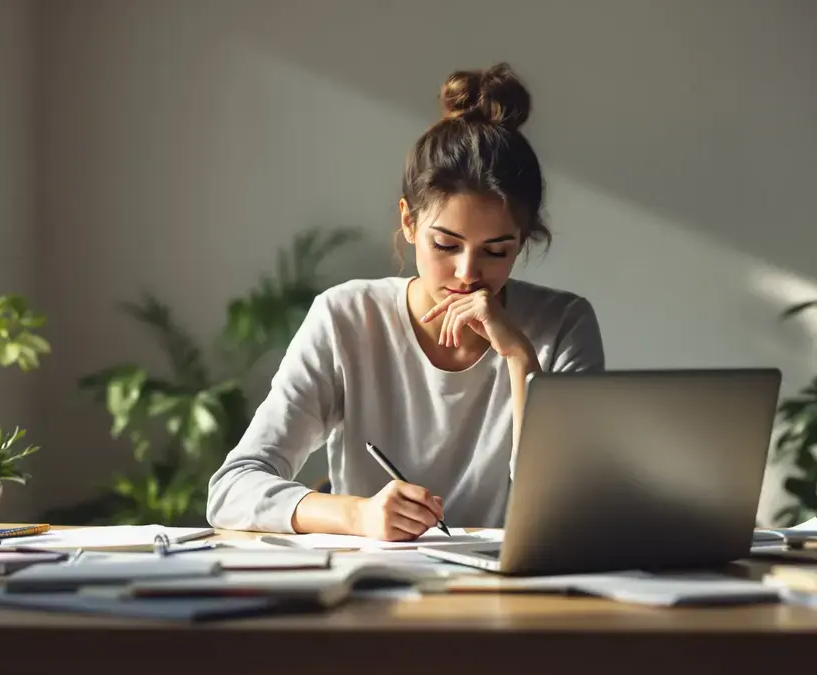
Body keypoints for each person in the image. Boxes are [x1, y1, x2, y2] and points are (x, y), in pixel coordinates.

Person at [206, 62, 605, 541]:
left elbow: (570, 510)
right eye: (445, 244)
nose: (467, 273)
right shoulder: (347, 317)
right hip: (377, 596)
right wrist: (358, 515)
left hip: (513, 597)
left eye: (496, 251)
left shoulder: (562, 324)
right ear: (410, 223)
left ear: (523, 242)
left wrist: (521, 359)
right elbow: (232, 489)